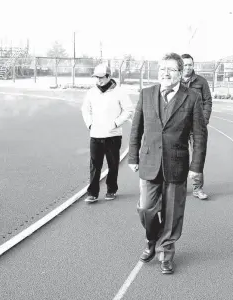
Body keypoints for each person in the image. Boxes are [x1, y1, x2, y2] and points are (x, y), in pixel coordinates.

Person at [128, 53, 207, 274]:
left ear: (180, 73)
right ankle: (152, 238)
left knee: (172, 214)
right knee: (145, 208)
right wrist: (133, 156)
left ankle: (165, 253)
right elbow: (137, 128)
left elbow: (200, 134)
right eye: (162, 68)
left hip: (177, 164)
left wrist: (196, 166)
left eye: (171, 69)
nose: (165, 72)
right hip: (149, 161)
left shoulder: (191, 97)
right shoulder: (146, 94)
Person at [81, 64, 133, 203]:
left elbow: (128, 110)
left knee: (113, 164)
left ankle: (111, 190)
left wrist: (116, 123)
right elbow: (85, 110)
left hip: (113, 136)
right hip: (96, 135)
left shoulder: (119, 92)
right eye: (96, 77)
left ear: (109, 76)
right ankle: (92, 193)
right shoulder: (91, 92)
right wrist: (90, 124)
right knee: (95, 165)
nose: (98, 80)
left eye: (101, 77)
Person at [180, 53, 212, 200]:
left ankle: (197, 188)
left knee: (198, 156)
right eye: (185, 64)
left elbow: (208, 101)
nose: (188, 67)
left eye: (190, 64)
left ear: (193, 65)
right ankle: (178, 186)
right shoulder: (175, 81)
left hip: (197, 127)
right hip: (179, 126)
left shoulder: (201, 82)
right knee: (178, 157)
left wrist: (203, 120)